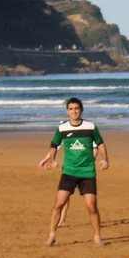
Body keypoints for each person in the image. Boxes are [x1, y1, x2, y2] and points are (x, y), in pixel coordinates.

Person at [39, 98, 109, 245]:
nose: (74, 111)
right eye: (71, 109)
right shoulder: (62, 128)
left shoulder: (90, 126)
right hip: (69, 172)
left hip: (87, 172)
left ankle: (97, 237)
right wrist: (52, 160)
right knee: (59, 204)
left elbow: (100, 143)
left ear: (81, 110)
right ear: (67, 111)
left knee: (91, 206)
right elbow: (54, 144)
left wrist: (105, 158)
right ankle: (52, 235)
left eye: (76, 108)